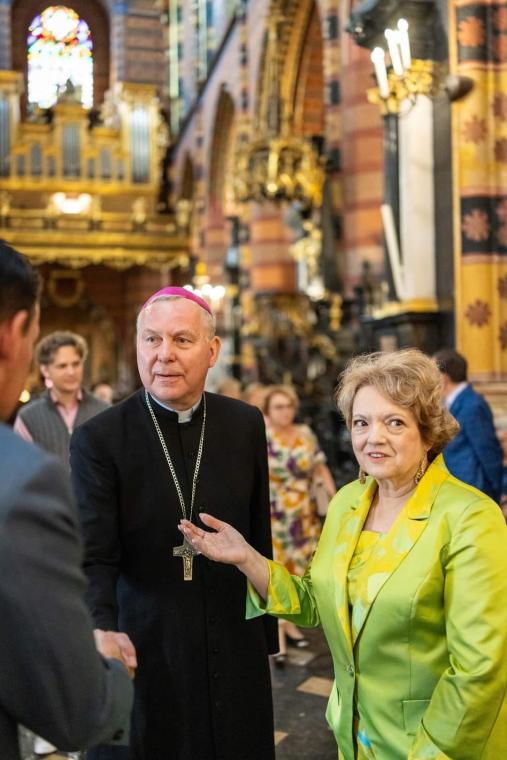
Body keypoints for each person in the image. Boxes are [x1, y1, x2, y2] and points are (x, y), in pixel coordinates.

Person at [180, 349, 507, 760]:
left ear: (427, 433)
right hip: (353, 739)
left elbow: (480, 669)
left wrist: (431, 752)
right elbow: (317, 602)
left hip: (431, 746)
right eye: (361, 423)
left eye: (394, 422)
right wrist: (246, 557)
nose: (374, 437)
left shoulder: (468, 517)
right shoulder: (348, 503)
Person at [70, 286, 278, 760]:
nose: (164, 354)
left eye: (182, 340)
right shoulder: (99, 439)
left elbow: (257, 531)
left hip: (233, 634)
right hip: (146, 637)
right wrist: (101, 630)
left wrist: (265, 635)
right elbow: (94, 555)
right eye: (152, 339)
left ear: (212, 351)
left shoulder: (244, 423)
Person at [0, 240, 133, 759]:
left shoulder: (102, 411)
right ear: (15, 334)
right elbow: (80, 709)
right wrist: (113, 664)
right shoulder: (22, 479)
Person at [263, 384, 335, 664]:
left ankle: (289, 623)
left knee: (301, 570)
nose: (285, 412)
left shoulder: (305, 433)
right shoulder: (263, 436)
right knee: (278, 571)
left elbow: (319, 465)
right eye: (278, 407)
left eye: (289, 406)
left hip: (303, 514)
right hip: (275, 514)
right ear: (268, 410)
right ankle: (278, 637)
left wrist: (335, 499)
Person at [14, 330, 107, 473]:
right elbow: (19, 471)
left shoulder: (104, 411)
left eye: (76, 364)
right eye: (62, 366)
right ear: (45, 370)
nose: (71, 372)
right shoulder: (28, 418)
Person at [434, 348, 503, 502]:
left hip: (474, 490)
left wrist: (498, 491)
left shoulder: (472, 404)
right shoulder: (452, 402)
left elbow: (488, 450)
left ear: (444, 377)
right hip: (458, 489)